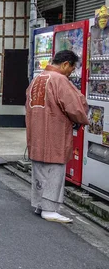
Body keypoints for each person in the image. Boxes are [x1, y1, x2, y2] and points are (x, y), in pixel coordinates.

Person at [25, 50, 89, 223]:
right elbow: (75, 107)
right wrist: (83, 118)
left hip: (36, 131)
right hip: (54, 131)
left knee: (39, 169)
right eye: (72, 68)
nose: (71, 72)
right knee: (55, 169)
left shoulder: (38, 78)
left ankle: (39, 204)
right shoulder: (59, 80)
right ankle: (50, 208)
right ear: (65, 64)